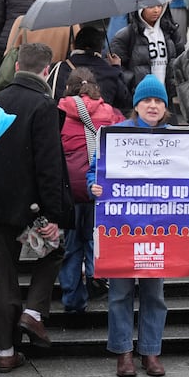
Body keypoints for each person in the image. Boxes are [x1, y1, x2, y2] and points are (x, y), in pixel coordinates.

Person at [87, 75, 184, 377]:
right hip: (122, 228)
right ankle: (123, 353)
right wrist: (94, 186)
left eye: (158, 101)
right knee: (119, 293)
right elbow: (94, 171)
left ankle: (151, 351)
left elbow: (187, 174)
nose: (152, 106)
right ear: (136, 105)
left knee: (154, 294)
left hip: (159, 230)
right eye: (147, 100)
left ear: (165, 107)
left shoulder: (176, 138)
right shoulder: (115, 134)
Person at [0, 42, 68, 373]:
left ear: (17, 68)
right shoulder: (43, 105)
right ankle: (32, 313)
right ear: (46, 71)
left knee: (3, 277)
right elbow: (48, 165)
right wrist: (52, 215)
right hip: (31, 207)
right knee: (54, 251)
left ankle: (5, 353)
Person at [57, 67, 123, 314]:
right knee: (97, 237)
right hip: (100, 188)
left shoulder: (60, 112)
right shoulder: (110, 113)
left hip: (70, 189)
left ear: (68, 88)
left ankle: (73, 300)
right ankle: (97, 275)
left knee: (72, 245)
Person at [111, 4, 184, 102]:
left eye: (159, 6)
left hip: (166, 95)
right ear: (140, 9)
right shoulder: (126, 35)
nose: (156, 10)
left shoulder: (170, 31)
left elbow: (181, 59)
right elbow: (118, 67)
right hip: (139, 97)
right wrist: (133, 81)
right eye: (150, 6)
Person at [48, 26, 130, 109]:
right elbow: (125, 103)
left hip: (66, 120)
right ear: (100, 48)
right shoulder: (112, 73)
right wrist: (116, 67)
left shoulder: (58, 69)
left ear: (73, 46)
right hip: (103, 121)